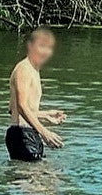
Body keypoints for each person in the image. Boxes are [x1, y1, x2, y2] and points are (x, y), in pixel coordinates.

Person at [6, 27, 66, 161]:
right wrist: (44, 132)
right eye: (41, 46)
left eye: (49, 48)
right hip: (22, 134)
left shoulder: (33, 70)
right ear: (30, 46)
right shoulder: (24, 69)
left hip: (24, 133)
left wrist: (46, 115)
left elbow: (12, 109)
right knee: (35, 177)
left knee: (42, 177)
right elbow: (21, 106)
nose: (46, 52)